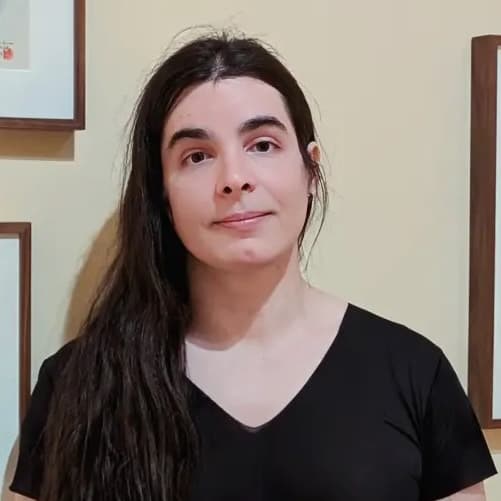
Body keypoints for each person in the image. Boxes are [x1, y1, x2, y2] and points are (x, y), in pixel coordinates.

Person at [9, 29, 497, 501]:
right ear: (162, 193)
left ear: (311, 169)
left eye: (262, 145)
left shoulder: (414, 373)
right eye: (197, 156)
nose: (234, 178)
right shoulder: (79, 384)